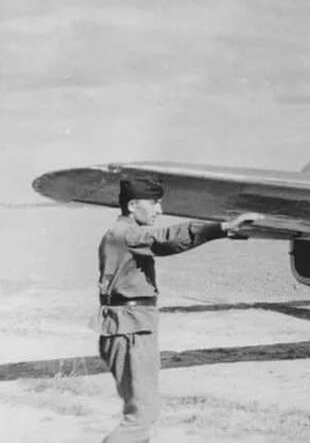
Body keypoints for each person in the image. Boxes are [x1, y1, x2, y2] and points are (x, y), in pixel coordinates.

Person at [97, 177, 261, 443]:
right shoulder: (127, 233)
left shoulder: (123, 231)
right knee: (141, 417)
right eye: (154, 204)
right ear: (132, 205)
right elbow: (165, 240)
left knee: (141, 413)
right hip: (132, 329)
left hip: (132, 325)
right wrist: (219, 228)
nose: (159, 210)